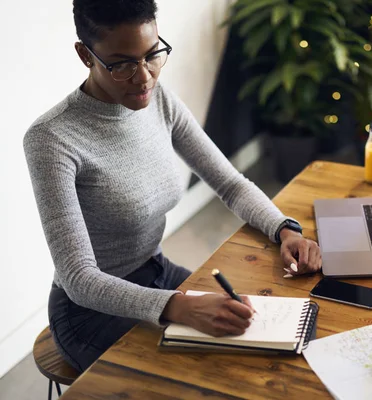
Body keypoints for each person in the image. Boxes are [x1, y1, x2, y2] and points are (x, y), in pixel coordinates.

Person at [23, 0, 321, 372]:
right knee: (198, 378)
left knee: (264, 341)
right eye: (122, 64)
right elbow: (79, 279)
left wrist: (284, 229)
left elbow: (228, 182)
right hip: (89, 313)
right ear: (86, 55)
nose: (144, 77)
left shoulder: (159, 100)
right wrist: (177, 306)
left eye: (152, 55)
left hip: (158, 273)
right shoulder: (52, 138)